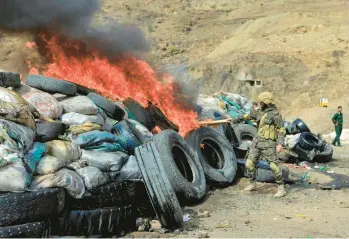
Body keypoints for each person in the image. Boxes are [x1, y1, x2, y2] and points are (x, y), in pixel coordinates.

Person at [243, 92, 287, 198]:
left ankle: (281, 188)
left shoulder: (275, 114)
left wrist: (280, 144)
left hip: (269, 144)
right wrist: (231, 120)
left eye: (261, 102)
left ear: (266, 102)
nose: (259, 103)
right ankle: (252, 183)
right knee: (249, 164)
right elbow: (248, 116)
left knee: (274, 166)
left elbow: (281, 129)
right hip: (257, 142)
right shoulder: (260, 112)